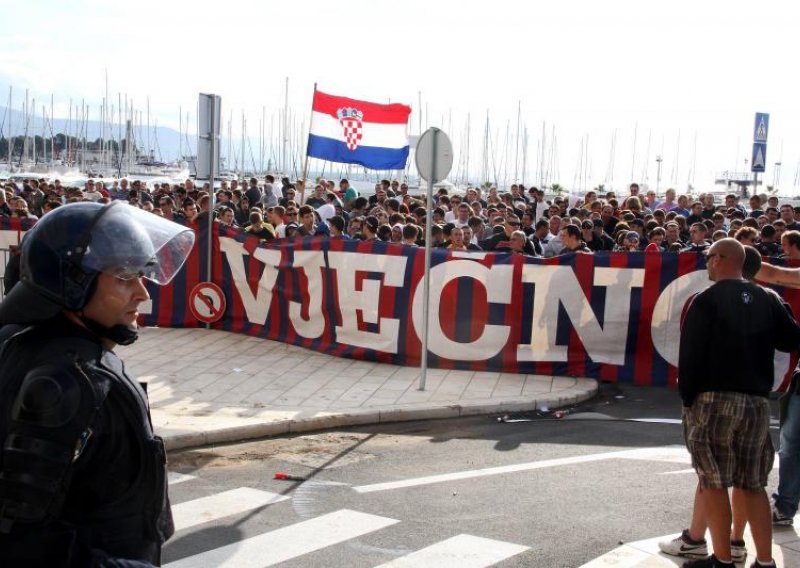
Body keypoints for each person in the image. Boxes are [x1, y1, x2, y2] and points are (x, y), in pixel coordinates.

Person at [0, 201, 194, 566]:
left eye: (142, 275)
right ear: (74, 283)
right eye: (124, 278)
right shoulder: (67, 383)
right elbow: (21, 541)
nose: (143, 293)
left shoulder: (29, 345)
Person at [677, 238, 800, 568]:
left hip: (713, 400)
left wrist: (688, 401)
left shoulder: (705, 300)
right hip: (757, 402)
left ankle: (723, 559)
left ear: (719, 259)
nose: (707, 263)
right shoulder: (769, 299)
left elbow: (689, 357)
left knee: (713, 482)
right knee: (753, 484)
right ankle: (764, 561)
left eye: (708, 257)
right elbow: (793, 340)